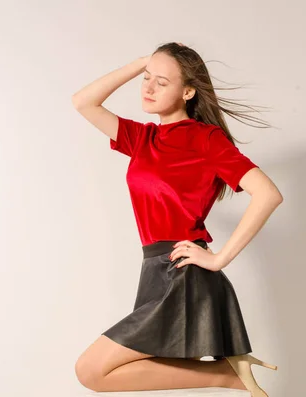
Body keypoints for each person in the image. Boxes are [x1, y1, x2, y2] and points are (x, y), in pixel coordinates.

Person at [71, 42, 283, 395]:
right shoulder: (143, 138)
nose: (149, 88)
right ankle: (227, 374)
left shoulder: (206, 139)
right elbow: (84, 102)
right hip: (153, 270)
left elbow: (268, 194)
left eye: (162, 82)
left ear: (187, 91)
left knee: (91, 370)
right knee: (102, 374)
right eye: (146, 79)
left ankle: (226, 375)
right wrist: (143, 62)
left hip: (181, 272)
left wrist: (218, 259)